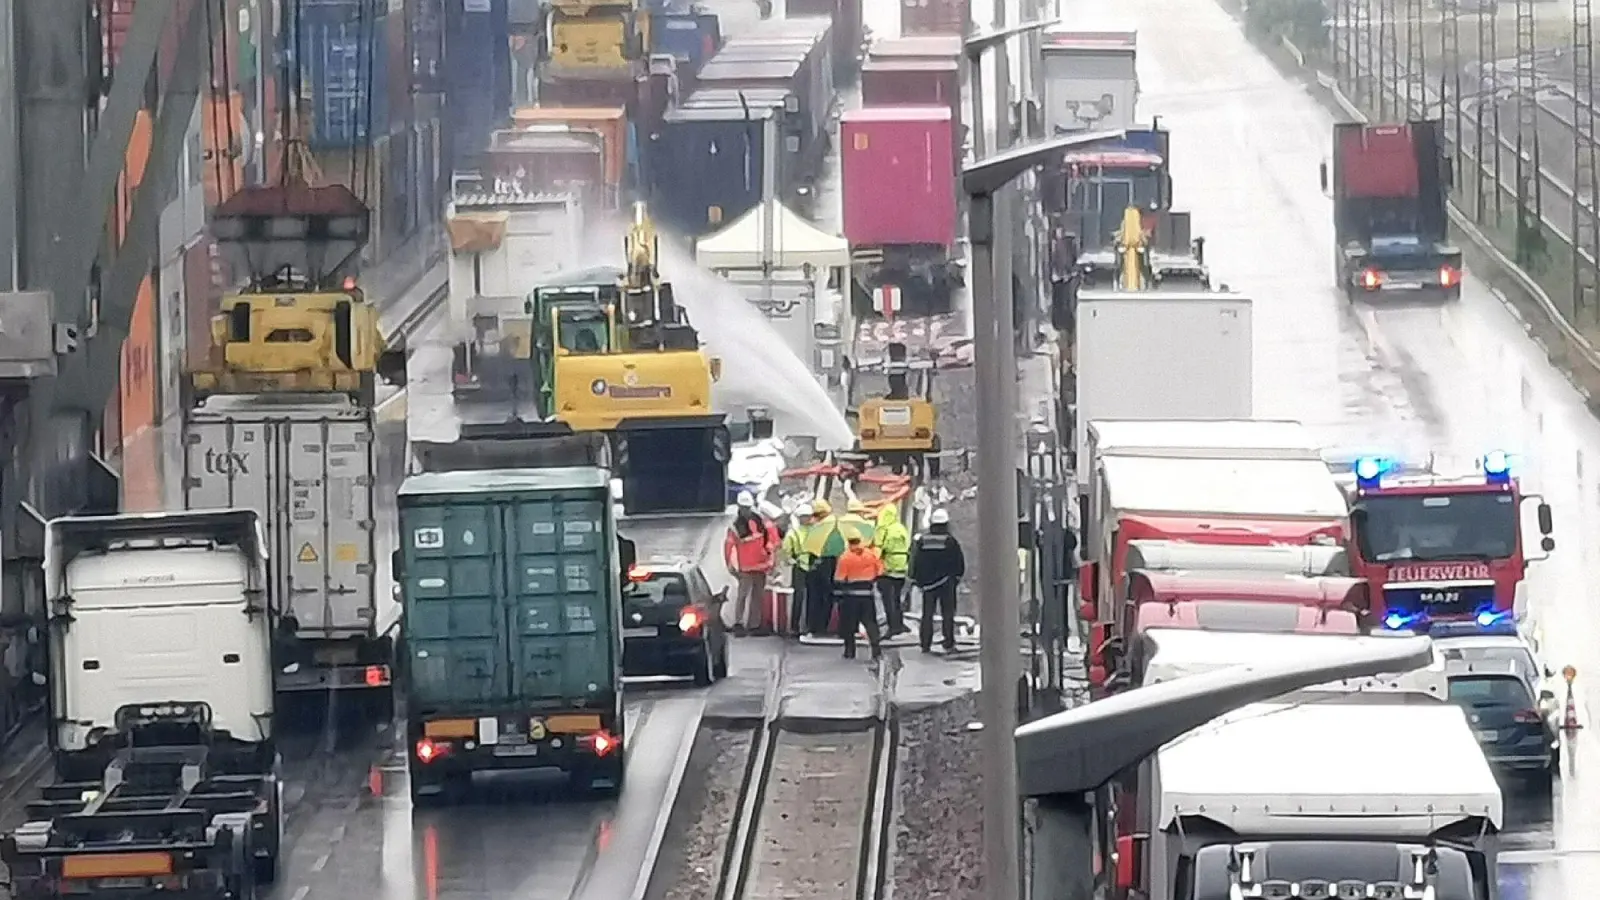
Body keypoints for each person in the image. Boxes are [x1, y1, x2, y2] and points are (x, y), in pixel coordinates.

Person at [909, 508, 965, 653]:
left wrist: (917, 580)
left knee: (927, 614)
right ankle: (948, 642)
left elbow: (916, 561)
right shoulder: (950, 541)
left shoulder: (923, 540)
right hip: (946, 583)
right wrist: (956, 578)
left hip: (928, 584)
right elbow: (958, 562)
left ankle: (925, 643)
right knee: (948, 614)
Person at [724, 490, 778, 635]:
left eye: (748, 507)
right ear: (739, 507)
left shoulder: (761, 522)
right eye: (744, 508)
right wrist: (730, 566)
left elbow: (772, 540)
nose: (746, 510)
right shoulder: (735, 526)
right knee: (742, 596)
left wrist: (771, 558)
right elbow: (729, 547)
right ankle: (739, 623)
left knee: (757, 596)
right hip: (745, 568)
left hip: (761, 565)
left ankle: (754, 625)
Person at [833, 535, 884, 660]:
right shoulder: (871, 555)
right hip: (867, 594)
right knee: (870, 623)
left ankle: (850, 651)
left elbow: (839, 578)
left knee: (849, 624)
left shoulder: (845, 557)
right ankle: (876, 649)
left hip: (851, 595)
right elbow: (880, 572)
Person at [779, 503, 816, 637]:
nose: (807, 519)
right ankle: (795, 627)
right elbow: (786, 552)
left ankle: (809, 626)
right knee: (799, 597)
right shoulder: (794, 533)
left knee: (811, 598)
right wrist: (793, 561)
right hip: (800, 567)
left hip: (812, 566)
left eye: (808, 516)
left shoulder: (815, 531)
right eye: (804, 517)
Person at [873, 504, 911, 637]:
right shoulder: (901, 528)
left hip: (887, 568)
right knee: (897, 598)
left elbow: (878, 549)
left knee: (888, 600)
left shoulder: (883, 529)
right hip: (901, 567)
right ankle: (899, 624)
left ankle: (892, 627)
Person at [806, 499, 840, 637]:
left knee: (814, 596)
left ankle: (812, 627)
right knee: (827, 596)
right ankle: (822, 627)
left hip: (815, 561)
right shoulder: (835, 525)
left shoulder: (814, 526)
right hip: (829, 562)